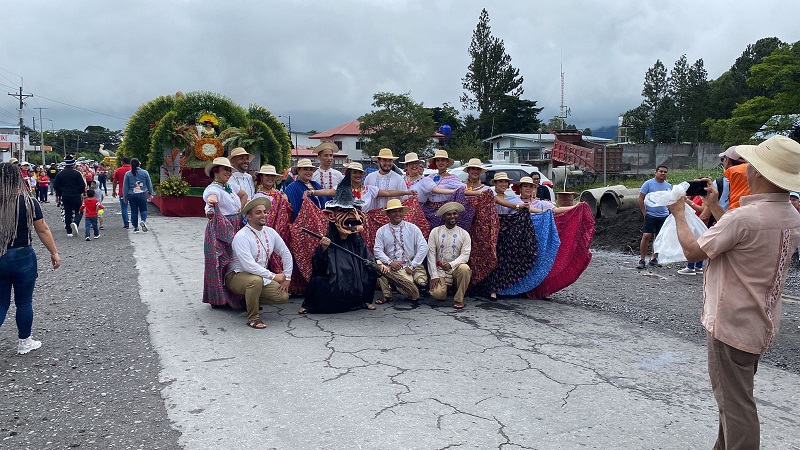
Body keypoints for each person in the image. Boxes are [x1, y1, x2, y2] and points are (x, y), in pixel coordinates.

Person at [667, 135, 800, 449]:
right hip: (758, 321)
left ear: (762, 174)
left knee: (737, 407)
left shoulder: (745, 217)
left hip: (731, 324)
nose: (747, 170)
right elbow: (744, 237)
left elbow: (693, 252)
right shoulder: (791, 216)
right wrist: (713, 205)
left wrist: (678, 214)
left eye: (751, 165)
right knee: (734, 399)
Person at [301, 170, 389, 314]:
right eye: (345, 211)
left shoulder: (357, 240)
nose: (353, 216)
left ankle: (365, 300)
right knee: (319, 282)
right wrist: (323, 249)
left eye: (354, 210)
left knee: (372, 271)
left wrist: (377, 263)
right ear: (331, 216)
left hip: (355, 284)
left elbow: (367, 256)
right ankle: (310, 304)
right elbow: (318, 266)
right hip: (336, 285)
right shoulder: (328, 239)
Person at [0, 163, 61, 354]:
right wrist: (54, 252)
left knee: (1, 303)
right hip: (23, 256)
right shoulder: (28, 201)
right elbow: (42, 228)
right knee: (24, 302)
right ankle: (25, 342)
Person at [225, 197, 292, 329]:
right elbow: (248, 265)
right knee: (254, 281)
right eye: (258, 212)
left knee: (282, 296)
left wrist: (287, 277)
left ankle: (248, 299)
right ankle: (253, 318)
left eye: (265, 212)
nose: (264, 215)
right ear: (249, 216)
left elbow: (286, 253)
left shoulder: (270, 232)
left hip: (260, 277)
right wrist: (273, 276)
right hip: (236, 275)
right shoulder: (242, 236)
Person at [202, 157, 248, 308]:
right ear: (216, 171)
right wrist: (212, 204)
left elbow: (244, 195)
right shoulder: (213, 189)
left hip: (235, 225)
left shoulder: (230, 187)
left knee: (236, 261)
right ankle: (220, 299)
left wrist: (240, 211)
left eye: (229, 170)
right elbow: (211, 199)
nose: (228, 173)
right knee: (220, 262)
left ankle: (237, 295)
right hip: (220, 228)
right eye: (225, 170)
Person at [373, 199, 429, 304]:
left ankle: (412, 282)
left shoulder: (412, 228)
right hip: (391, 265)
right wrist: (390, 262)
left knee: (416, 287)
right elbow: (377, 250)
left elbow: (423, 247)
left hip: (410, 264)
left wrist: (412, 266)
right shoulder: (382, 231)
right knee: (377, 266)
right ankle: (387, 295)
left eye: (399, 211)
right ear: (388, 214)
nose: (398, 214)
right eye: (394, 211)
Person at [427, 202, 472, 309]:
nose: (452, 216)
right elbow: (431, 254)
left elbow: (465, 255)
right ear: (444, 216)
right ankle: (444, 289)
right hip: (440, 270)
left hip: (455, 268)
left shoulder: (464, 233)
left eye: (455, 213)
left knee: (465, 269)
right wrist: (434, 276)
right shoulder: (435, 232)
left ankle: (459, 299)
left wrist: (451, 265)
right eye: (449, 214)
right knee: (437, 294)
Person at [637, 165, 671, 269]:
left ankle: (654, 258)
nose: (663, 173)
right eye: (661, 171)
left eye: (665, 172)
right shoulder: (648, 184)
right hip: (650, 214)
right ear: (656, 172)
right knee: (646, 235)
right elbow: (640, 198)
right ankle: (642, 259)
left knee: (659, 238)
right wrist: (644, 212)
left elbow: (670, 200)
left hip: (663, 215)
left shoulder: (668, 186)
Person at [52, 157, 86, 237]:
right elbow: (82, 185)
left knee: (68, 212)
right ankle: (75, 223)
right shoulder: (77, 173)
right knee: (79, 211)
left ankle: (69, 231)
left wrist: (58, 196)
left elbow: (56, 186)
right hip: (76, 195)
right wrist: (81, 193)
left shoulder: (60, 174)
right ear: (73, 164)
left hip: (65, 195)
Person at [121, 158, 154, 233]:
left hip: (131, 194)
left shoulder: (128, 174)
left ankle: (135, 227)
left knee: (134, 211)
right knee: (143, 209)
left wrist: (125, 196)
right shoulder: (145, 173)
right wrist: (151, 193)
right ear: (139, 164)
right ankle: (143, 220)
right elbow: (149, 184)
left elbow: (125, 186)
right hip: (142, 193)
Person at [677, 194, 706, 275]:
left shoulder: (703, 197)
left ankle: (691, 266)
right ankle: (697, 266)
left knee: (694, 243)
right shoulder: (696, 196)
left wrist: (689, 202)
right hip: (694, 222)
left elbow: (702, 209)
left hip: (699, 222)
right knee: (698, 243)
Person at [720, 145, 754, 211]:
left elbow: (705, 216)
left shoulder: (719, 183)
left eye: (722, 159)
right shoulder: (758, 179)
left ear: (727, 160)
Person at [112, 157, 132, 229]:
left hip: (122, 192)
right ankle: (134, 222)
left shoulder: (118, 170)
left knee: (124, 208)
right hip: (133, 192)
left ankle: (126, 224)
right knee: (133, 208)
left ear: (122, 162)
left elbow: (114, 181)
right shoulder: (133, 170)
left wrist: (114, 191)